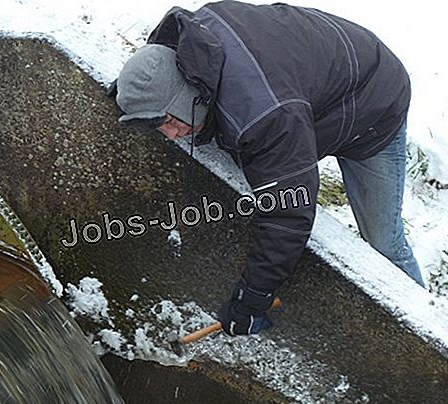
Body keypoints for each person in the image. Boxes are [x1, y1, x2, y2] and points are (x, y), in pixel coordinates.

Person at [110, 0, 425, 336]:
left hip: (374, 103)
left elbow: (289, 213)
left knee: (383, 244)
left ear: (191, 96)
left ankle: (425, 325)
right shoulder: (186, 49)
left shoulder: (264, 115)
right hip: (311, 91)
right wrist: (130, 97)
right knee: (279, 155)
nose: (170, 136)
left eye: (171, 122)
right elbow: (155, 80)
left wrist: (252, 298)